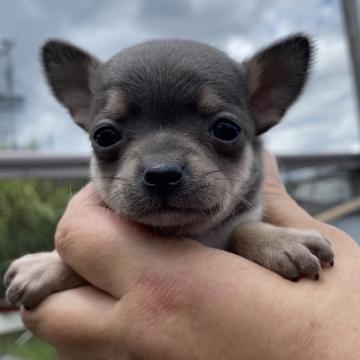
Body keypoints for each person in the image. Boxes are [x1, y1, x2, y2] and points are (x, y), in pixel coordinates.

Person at [21, 152, 360, 359]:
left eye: (222, 131)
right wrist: (69, 264)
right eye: (109, 137)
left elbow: (237, 231)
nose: (161, 165)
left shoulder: (247, 212)